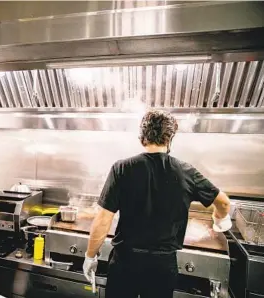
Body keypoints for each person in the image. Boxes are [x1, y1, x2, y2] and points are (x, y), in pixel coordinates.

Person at [83, 110, 232, 298]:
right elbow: (224, 203)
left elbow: (103, 220)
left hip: (125, 263)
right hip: (162, 268)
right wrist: (219, 219)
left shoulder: (122, 168)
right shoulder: (187, 172)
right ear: (169, 139)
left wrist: (90, 256)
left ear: (142, 138)